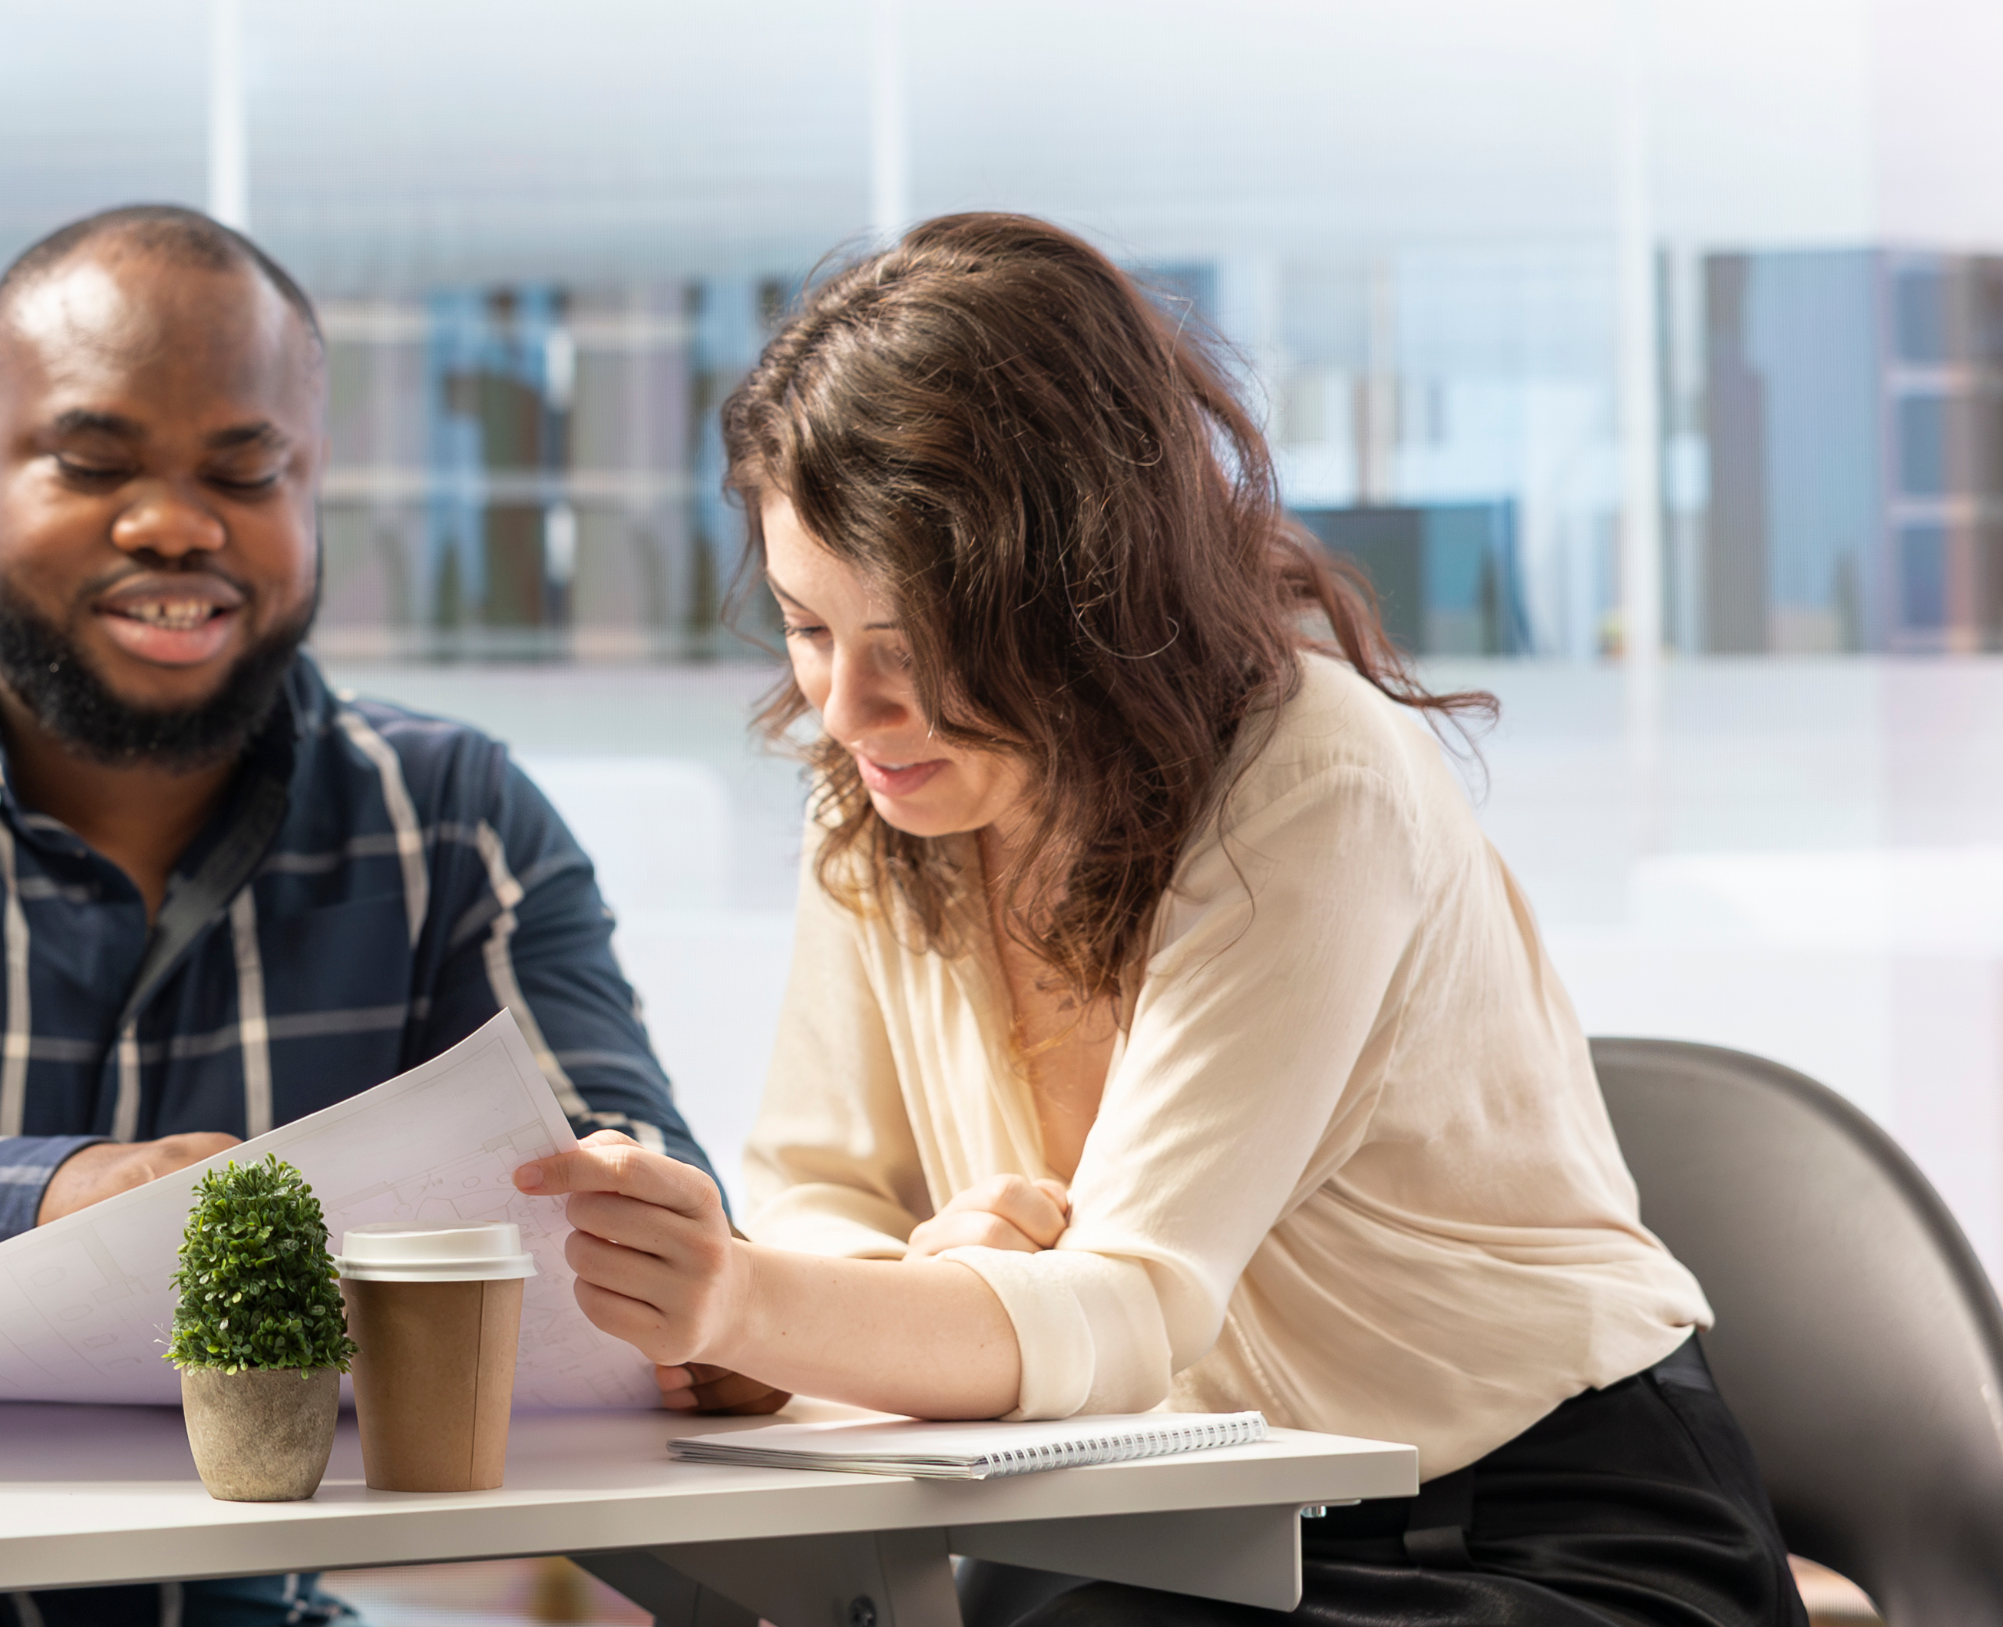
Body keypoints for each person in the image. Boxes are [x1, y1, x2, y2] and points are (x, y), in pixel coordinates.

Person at [516, 214, 1801, 1627]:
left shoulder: (1313, 780)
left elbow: (1125, 1312)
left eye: (913, 647)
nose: (843, 710)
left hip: (1520, 1535)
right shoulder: (889, 795)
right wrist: (916, 1282)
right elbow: (826, 1191)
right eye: (809, 627)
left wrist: (761, 1307)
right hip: (1159, 1521)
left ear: (1077, 598)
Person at [0, 205, 725, 1627]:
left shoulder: (452, 821)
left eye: (245, 468)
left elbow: (629, 1180)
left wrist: (684, 1268)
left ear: (313, 475)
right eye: (93, 464)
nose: (173, 524)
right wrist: (58, 1205)